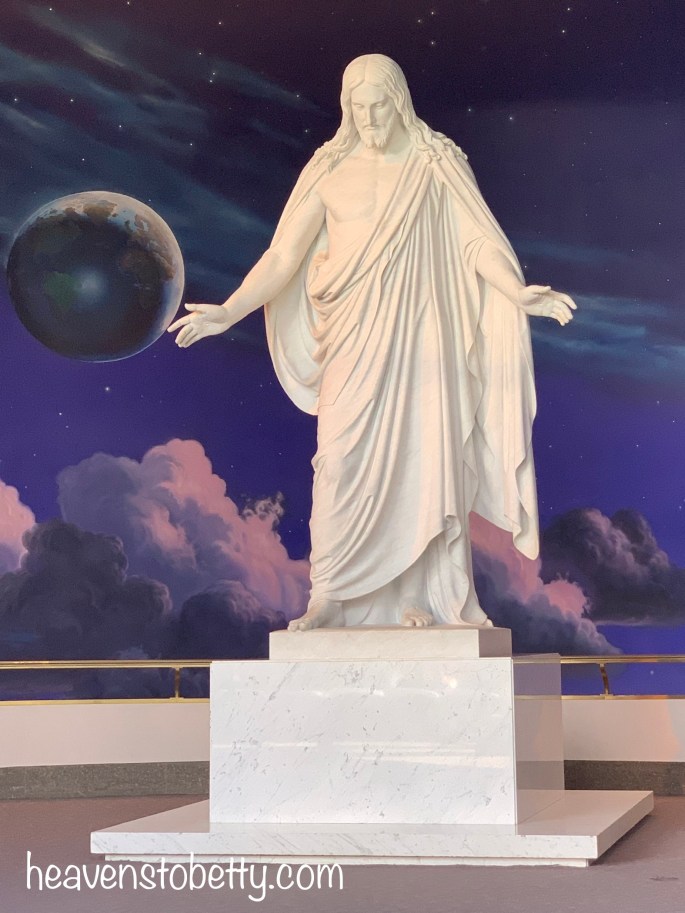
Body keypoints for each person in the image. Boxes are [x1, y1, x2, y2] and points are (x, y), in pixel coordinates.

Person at [169, 54, 575, 631]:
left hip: (423, 337)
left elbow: (475, 242)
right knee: (338, 461)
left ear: (399, 101)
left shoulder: (435, 164)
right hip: (352, 339)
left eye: (378, 106)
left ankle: (418, 595)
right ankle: (331, 595)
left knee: (422, 461)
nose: (369, 118)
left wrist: (516, 291)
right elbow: (284, 254)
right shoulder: (330, 170)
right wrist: (230, 310)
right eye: (358, 108)